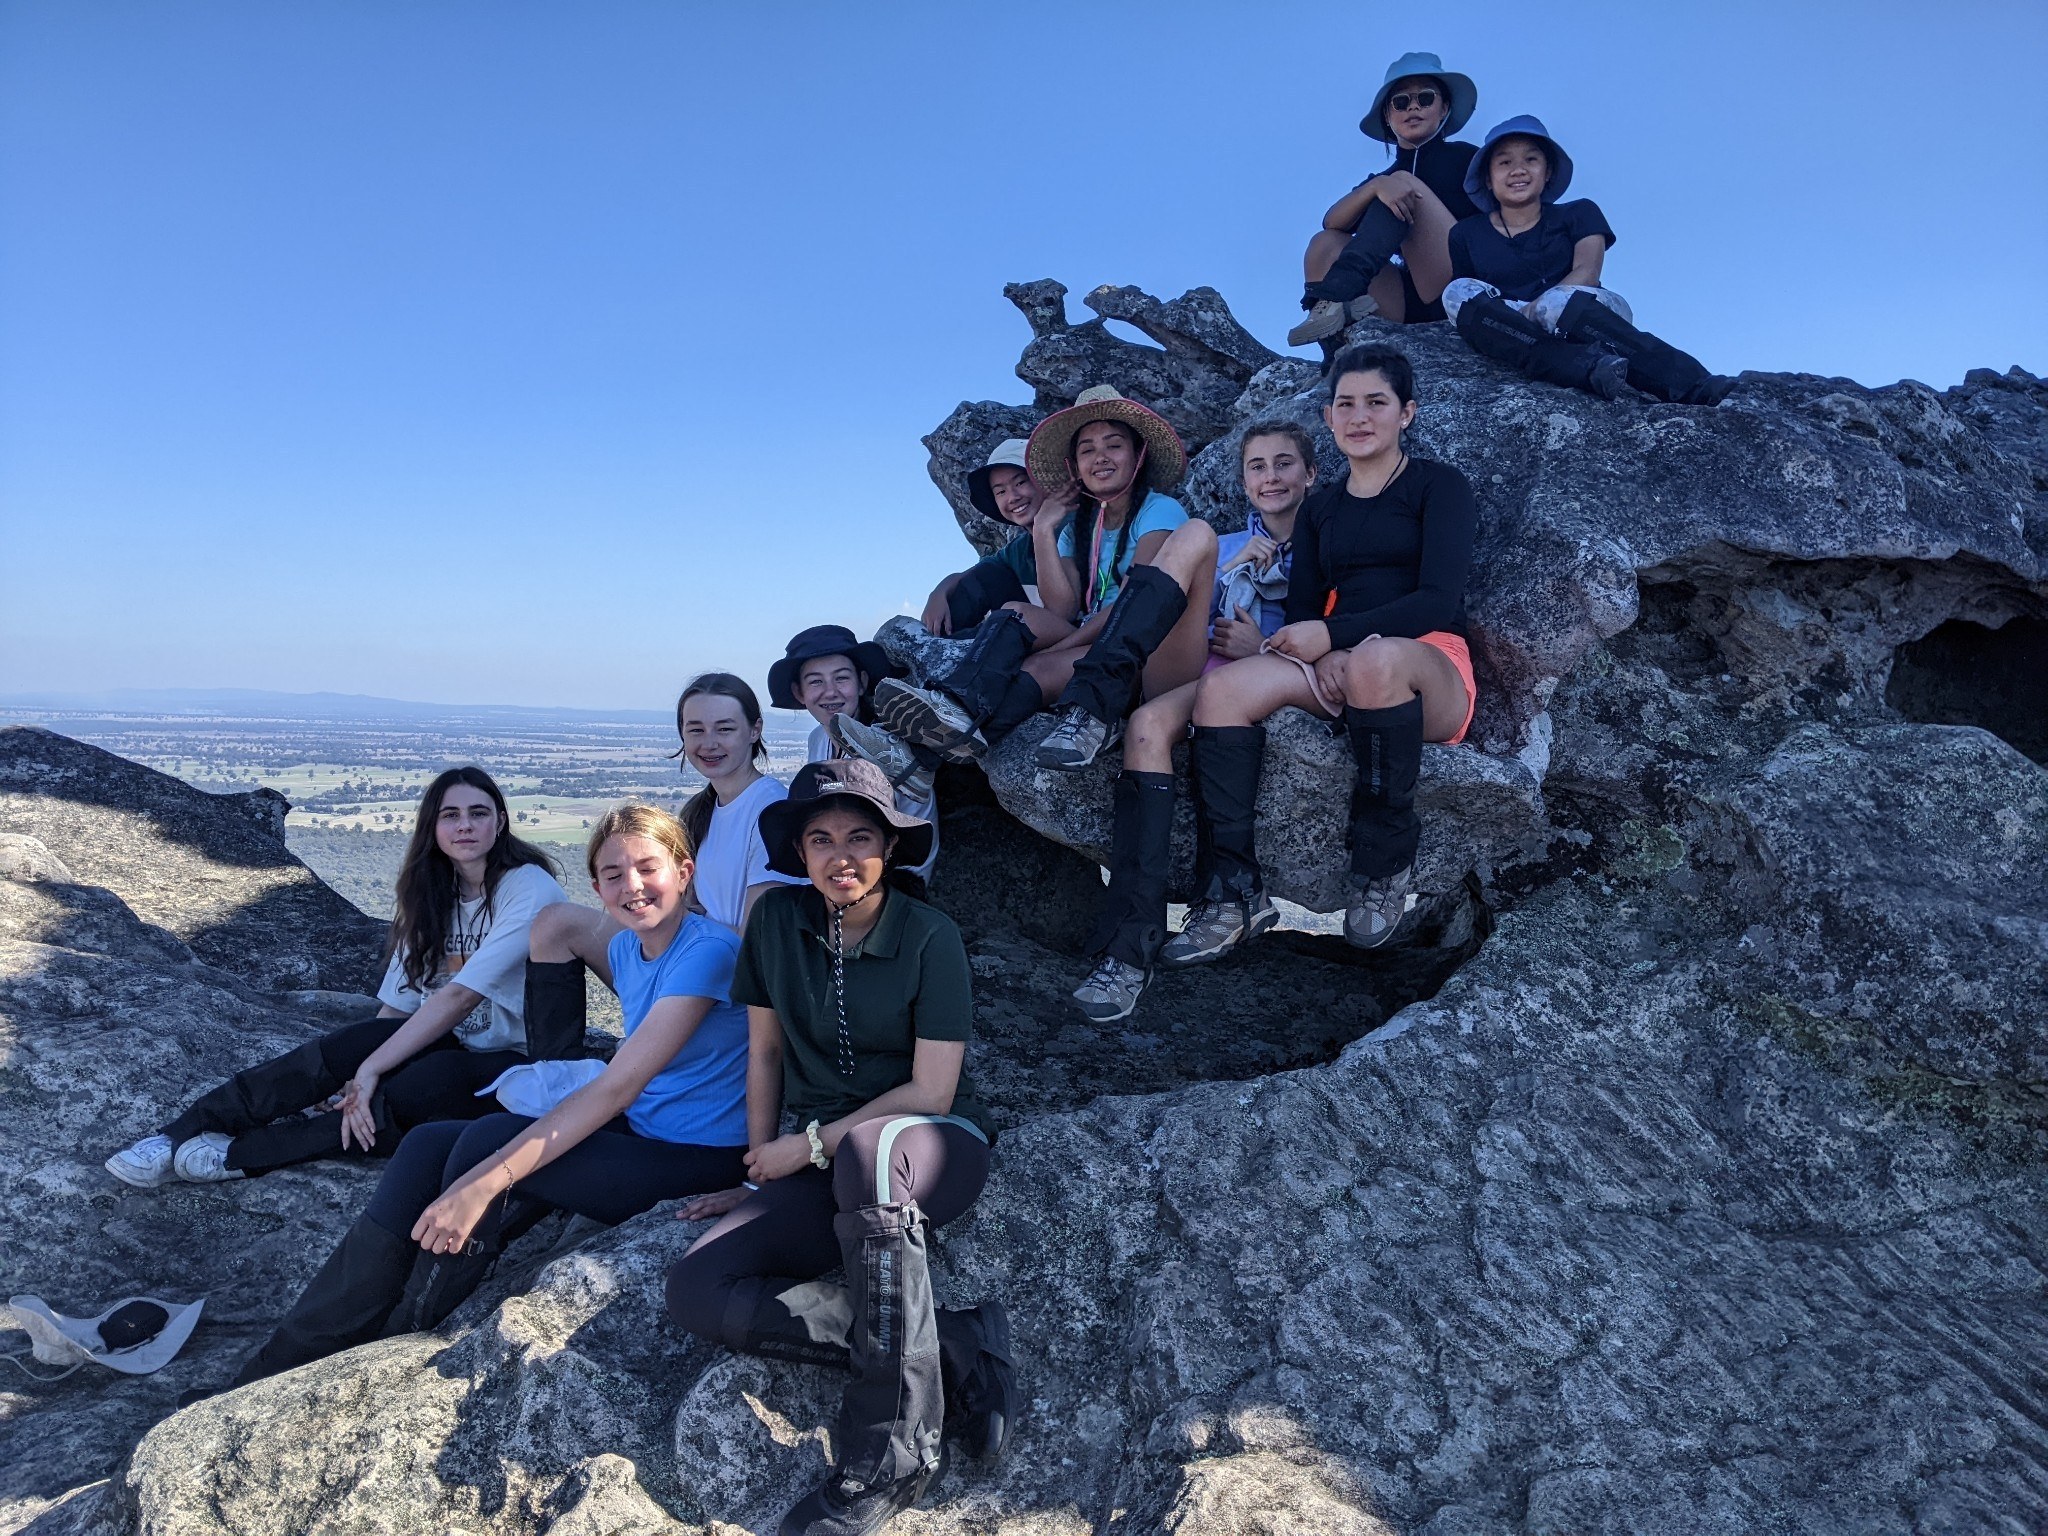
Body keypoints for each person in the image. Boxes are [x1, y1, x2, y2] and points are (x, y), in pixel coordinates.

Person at [221, 804, 751, 1387]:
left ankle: (405, 1335)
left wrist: (482, 1185)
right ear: (597, 887)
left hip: (698, 1158)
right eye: (613, 874)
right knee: (428, 1144)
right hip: (646, 1129)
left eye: (648, 868)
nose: (633, 886)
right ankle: (292, 1354)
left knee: (486, 1148)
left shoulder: (708, 952)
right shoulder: (629, 949)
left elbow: (617, 1087)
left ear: (684, 871)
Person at [664, 760, 1013, 1536]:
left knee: (868, 1153)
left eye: (860, 836)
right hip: (829, 1163)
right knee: (697, 1288)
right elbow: (764, 1053)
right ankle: (952, 1341)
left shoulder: (928, 935)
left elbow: (932, 1091)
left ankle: (891, 1451)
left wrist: (809, 1145)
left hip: (931, 1149)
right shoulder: (776, 923)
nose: (840, 855)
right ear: (799, 852)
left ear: (889, 847)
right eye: (820, 839)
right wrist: (761, 1167)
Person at [105, 767, 568, 1189]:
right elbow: (398, 1007)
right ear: (433, 826)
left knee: (417, 1090)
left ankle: (242, 1156)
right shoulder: (431, 896)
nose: (464, 825)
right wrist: (355, 1070)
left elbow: (461, 997)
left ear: (500, 822)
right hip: (447, 1039)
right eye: (451, 815)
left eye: (478, 813)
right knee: (341, 1048)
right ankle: (178, 1134)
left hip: (514, 1061)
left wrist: (373, 1070)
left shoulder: (526, 888)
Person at [1173, 344, 1478, 964]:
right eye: (1346, 404)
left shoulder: (1438, 487)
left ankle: (1382, 866)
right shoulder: (1321, 508)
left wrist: (1337, 639)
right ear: (1329, 416)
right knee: (1222, 691)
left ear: (1406, 412)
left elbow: (1437, 601)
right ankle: (1234, 892)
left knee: (1375, 663)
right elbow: (1306, 609)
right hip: (1335, 664)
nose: (1359, 416)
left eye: (1376, 402)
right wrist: (1319, 648)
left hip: (1428, 664)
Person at [1070, 421, 1319, 1021]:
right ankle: (1127, 954)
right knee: (1146, 725)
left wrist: (1264, 648)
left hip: (1274, 678)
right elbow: (1173, 615)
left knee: (1152, 722)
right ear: (1243, 480)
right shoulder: (1224, 542)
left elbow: (1342, 636)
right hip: (1199, 670)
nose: (1270, 477)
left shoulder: (1329, 544)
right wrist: (1229, 571)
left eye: (1284, 464)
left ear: (1311, 474)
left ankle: (1154, 940)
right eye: (1256, 466)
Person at [875, 385, 1219, 774]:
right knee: (1015, 612)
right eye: (1087, 450)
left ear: (1138, 455)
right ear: (1075, 466)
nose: (1100, 457)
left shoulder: (1159, 511)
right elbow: (1061, 608)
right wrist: (1043, 530)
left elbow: (1132, 605)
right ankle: (947, 717)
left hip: (1147, 652)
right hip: (1094, 642)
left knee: (1038, 668)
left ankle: (920, 759)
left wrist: (1062, 648)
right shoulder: (1080, 527)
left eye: (1114, 445)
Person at [522, 673, 799, 1044]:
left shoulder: (770, 811)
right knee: (557, 923)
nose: (709, 743)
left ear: (754, 730)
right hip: (691, 952)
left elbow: (758, 942)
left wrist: (688, 927)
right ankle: (554, 1064)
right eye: (696, 730)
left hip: (724, 977)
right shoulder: (704, 810)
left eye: (725, 729)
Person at [1442, 115, 1734, 405]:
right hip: (1517, 326)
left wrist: (1531, 313)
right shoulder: (1465, 234)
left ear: (1548, 172)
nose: (1518, 170)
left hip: (1581, 312)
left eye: (1531, 160)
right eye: (1504, 162)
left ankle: (1694, 383)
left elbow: (1588, 271)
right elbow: (1472, 305)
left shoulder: (1579, 212)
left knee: (1555, 303)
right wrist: (1514, 322)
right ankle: (1585, 368)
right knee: (1456, 293)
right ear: (1488, 179)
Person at [1289, 51, 1480, 346]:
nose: (1413, 107)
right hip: (1408, 304)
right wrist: (1376, 185)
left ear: (1444, 109)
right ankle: (1334, 351)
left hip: (1460, 289)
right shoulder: (1385, 180)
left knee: (1401, 183)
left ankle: (1338, 292)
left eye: (1425, 98)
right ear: (1388, 117)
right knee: (1324, 244)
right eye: (1400, 102)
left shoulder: (1469, 159)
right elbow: (1331, 222)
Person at [770, 623, 941, 892]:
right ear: (799, 693)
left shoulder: (889, 747)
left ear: (861, 683)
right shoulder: (818, 739)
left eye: (841, 678)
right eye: (815, 681)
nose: (830, 692)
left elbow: (917, 823)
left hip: (894, 885)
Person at [918, 439, 1077, 637]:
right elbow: (974, 575)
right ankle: (941, 639)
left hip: (1077, 633)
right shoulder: (1019, 548)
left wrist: (1042, 531)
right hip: (1042, 632)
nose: (1013, 497)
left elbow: (1064, 613)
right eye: (1001, 491)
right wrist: (938, 593)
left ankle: (959, 645)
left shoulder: (1073, 527)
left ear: (1043, 481)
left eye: (1020, 482)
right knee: (989, 574)